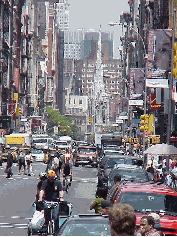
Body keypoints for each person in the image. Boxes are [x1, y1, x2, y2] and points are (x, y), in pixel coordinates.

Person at [38, 170, 64, 235]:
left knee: (56, 217)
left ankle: (57, 231)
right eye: (50, 177)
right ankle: (46, 224)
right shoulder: (45, 182)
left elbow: (61, 190)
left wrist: (61, 198)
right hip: (47, 201)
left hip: (55, 201)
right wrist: (40, 198)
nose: (51, 179)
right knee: (46, 211)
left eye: (52, 177)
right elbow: (42, 190)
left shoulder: (57, 182)